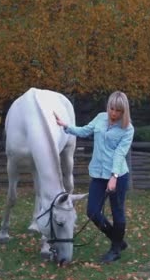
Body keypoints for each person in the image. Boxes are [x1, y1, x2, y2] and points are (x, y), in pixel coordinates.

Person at [54, 91, 134, 263]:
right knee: (92, 211)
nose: (114, 113)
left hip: (118, 176)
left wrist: (114, 177)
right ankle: (117, 239)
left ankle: (115, 250)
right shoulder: (100, 118)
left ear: (124, 111)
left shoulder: (127, 129)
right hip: (98, 174)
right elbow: (84, 131)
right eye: (112, 109)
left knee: (117, 211)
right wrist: (65, 126)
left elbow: (120, 154)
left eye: (118, 111)